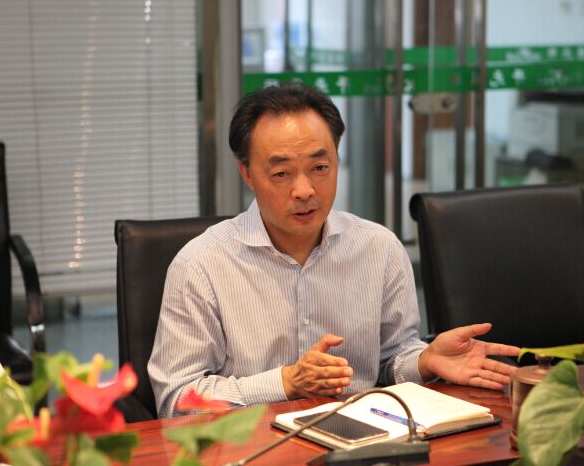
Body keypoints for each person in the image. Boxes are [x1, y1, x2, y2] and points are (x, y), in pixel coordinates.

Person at [148, 84, 520, 418]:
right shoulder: (201, 265)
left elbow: (391, 360)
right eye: (281, 174)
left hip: (362, 440)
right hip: (251, 448)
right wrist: (285, 382)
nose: (304, 190)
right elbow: (177, 399)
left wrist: (425, 360)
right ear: (247, 173)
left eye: (320, 167)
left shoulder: (379, 248)